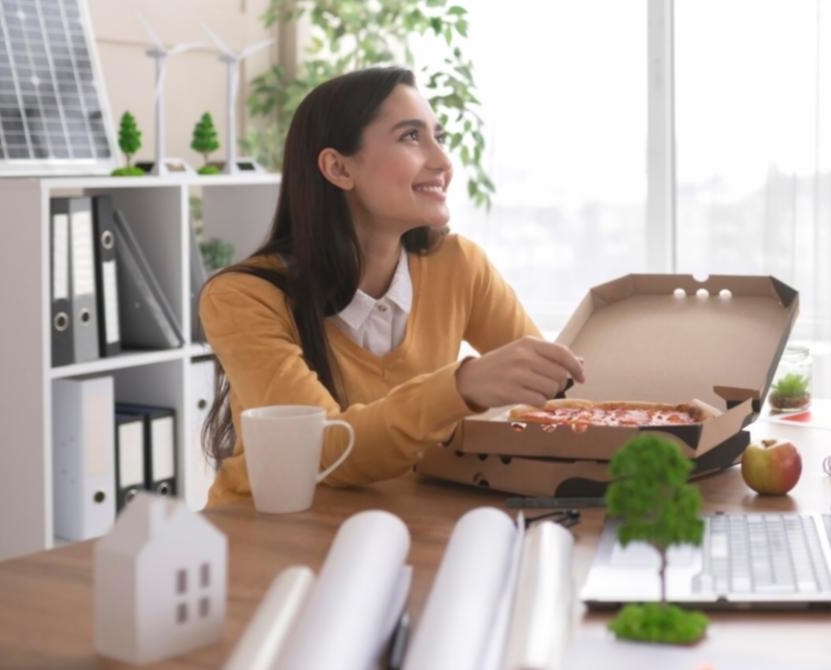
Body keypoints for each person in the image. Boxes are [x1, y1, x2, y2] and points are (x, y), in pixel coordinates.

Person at [199, 66, 585, 506]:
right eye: (411, 137)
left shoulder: (459, 266)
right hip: (267, 542)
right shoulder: (243, 298)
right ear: (339, 168)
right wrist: (461, 387)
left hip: (401, 530)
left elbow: (554, 398)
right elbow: (323, 451)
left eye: (439, 137)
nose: (443, 162)